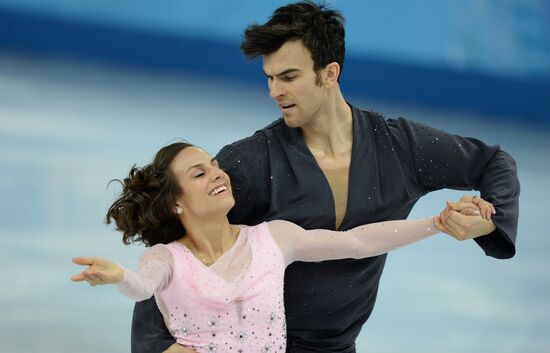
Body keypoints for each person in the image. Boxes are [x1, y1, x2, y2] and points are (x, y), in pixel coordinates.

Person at [133, 2, 520, 353]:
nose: (274, 91)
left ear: (329, 73)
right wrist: (156, 344)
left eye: (288, 77)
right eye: (269, 78)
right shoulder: (249, 164)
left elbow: (493, 161)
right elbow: (179, 245)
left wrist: (486, 223)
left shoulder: (400, 147)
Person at [71, 143, 494, 353]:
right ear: (176, 202)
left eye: (215, 167)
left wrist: (435, 224)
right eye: (199, 174)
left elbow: (357, 241)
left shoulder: (272, 238)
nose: (218, 175)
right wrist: (116, 276)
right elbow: (144, 287)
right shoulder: (166, 259)